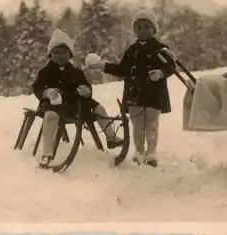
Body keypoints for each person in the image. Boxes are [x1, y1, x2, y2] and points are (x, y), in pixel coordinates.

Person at [86, 9, 174, 167]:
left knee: (152, 124)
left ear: (154, 29)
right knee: (138, 125)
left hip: (154, 94)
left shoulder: (161, 49)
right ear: (135, 31)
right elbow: (121, 70)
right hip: (135, 94)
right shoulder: (131, 52)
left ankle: (152, 153)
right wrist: (103, 66)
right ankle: (139, 152)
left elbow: (171, 67)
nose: (143, 30)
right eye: (139, 27)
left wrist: (161, 73)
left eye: (147, 26)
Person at [32, 29, 123, 168]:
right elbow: (37, 87)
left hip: (77, 104)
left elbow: (85, 84)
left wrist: (86, 91)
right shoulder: (46, 72)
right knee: (50, 117)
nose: (60, 56)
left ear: (70, 53)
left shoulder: (75, 70)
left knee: (99, 109)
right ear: (50, 55)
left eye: (64, 52)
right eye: (56, 52)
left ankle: (111, 137)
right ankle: (47, 153)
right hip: (56, 105)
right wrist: (47, 93)